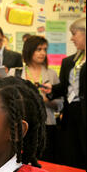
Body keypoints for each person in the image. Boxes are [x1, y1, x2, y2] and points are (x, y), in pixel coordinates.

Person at [9, 35, 63, 163]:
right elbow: (8, 101)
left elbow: (60, 104)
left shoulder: (51, 74)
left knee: (47, 164)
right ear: (29, 50)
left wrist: (45, 100)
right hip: (22, 126)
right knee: (20, 164)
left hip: (47, 126)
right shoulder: (15, 73)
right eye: (39, 49)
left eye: (45, 49)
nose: (43, 53)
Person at [43, 17, 86, 170]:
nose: (72, 38)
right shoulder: (69, 61)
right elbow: (64, 87)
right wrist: (51, 90)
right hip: (70, 114)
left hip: (84, 114)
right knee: (70, 155)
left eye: (75, 34)